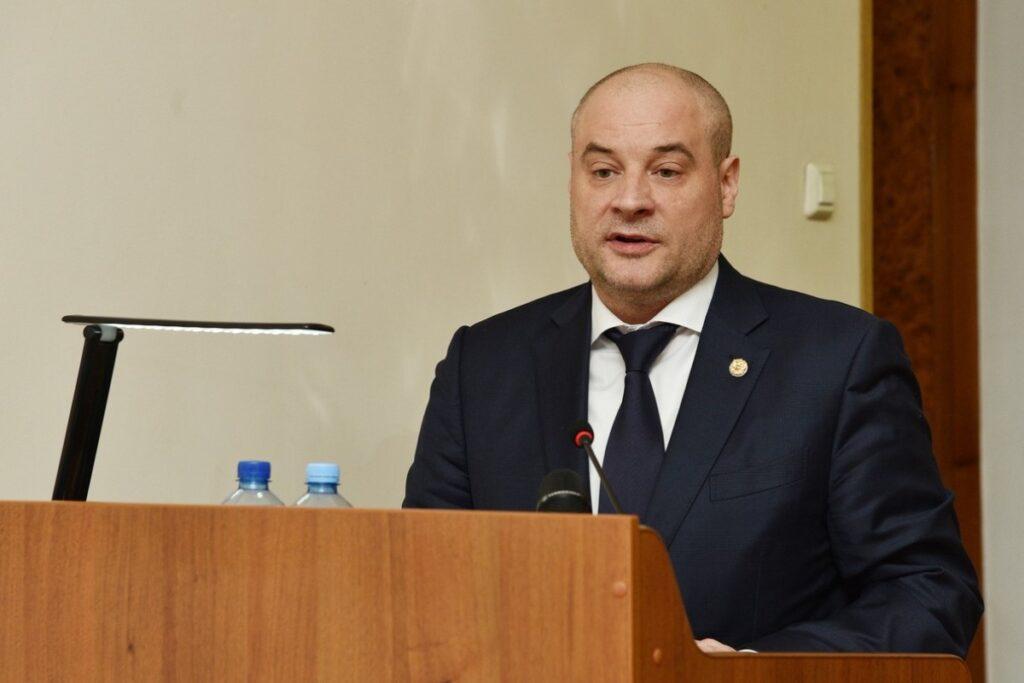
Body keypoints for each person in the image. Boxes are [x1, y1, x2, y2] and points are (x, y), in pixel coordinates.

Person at [403, 63, 982, 655]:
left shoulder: (837, 360)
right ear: (572, 182)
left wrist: (750, 672)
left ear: (726, 185)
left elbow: (929, 594)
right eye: (603, 171)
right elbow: (420, 592)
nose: (630, 201)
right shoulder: (483, 366)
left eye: (666, 171)